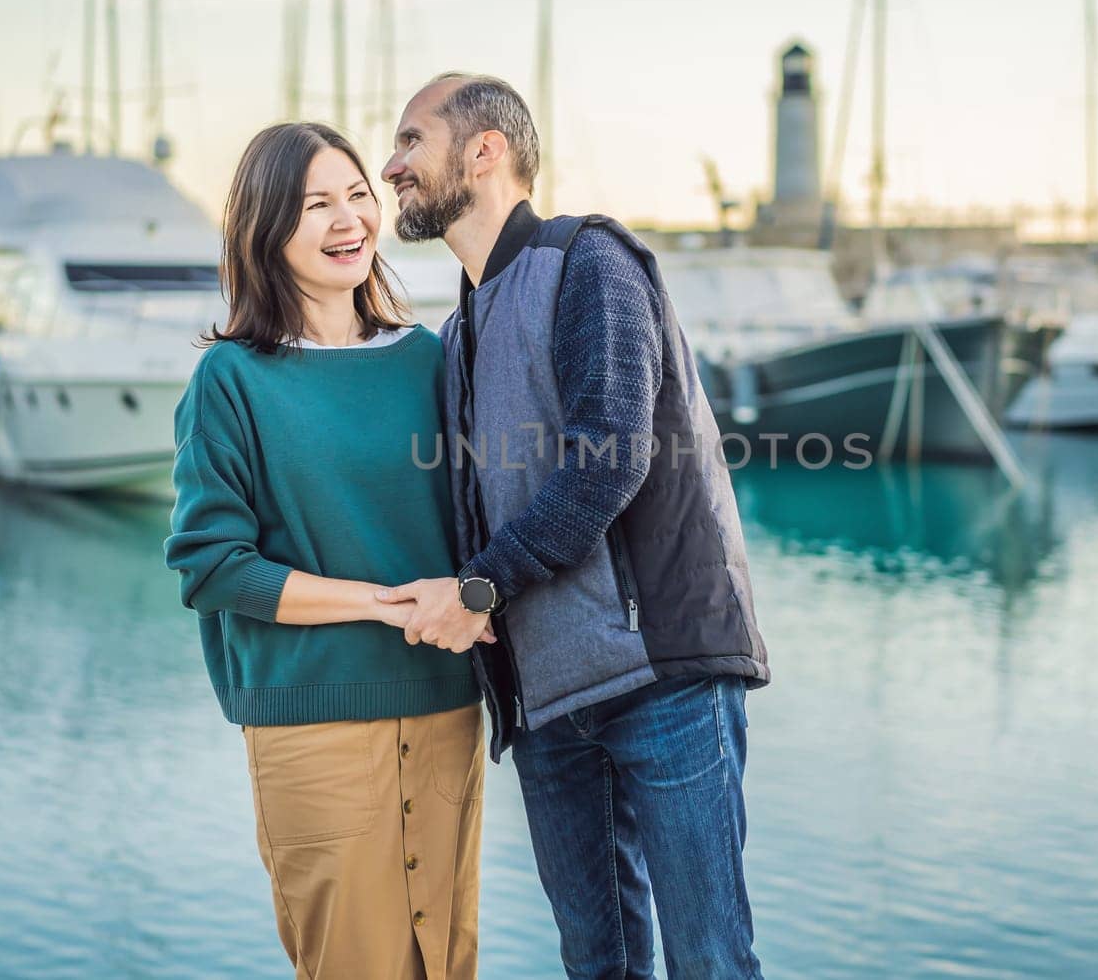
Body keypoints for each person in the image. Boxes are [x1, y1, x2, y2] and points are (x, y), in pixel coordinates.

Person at [376, 73, 771, 979]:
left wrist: (478, 590)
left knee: (709, 961)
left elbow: (609, 457)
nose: (392, 165)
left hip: (662, 677)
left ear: (485, 150)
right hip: (548, 702)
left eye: (409, 141)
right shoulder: (460, 329)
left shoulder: (590, 259)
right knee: (597, 963)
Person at [164, 122, 487, 980]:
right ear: (267, 228)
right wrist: (381, 601)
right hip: (312, 720)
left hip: (446, 707)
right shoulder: (231, 379)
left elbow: (478, 523)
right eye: (317, 205)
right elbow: (213, 565)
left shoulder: (428, 358)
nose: (349, 221)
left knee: (445, 964)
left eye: (357, 196)